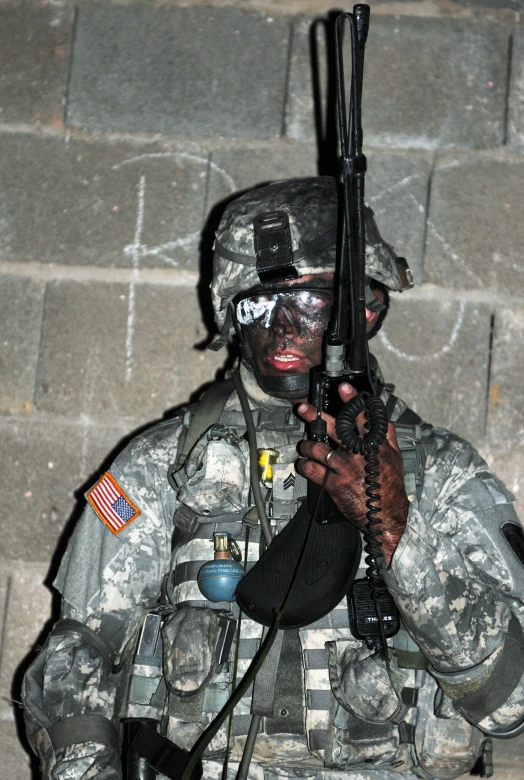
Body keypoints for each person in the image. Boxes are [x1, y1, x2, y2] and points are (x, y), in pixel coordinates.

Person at [22, 177, 524, 780]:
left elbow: (512, 706)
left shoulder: (441, 473)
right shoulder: (164, 464)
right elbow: (73, 662)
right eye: (260, 304)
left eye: (309, 303)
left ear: (364, 311)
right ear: (233, 311)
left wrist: (396, 529)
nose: (283, 328)